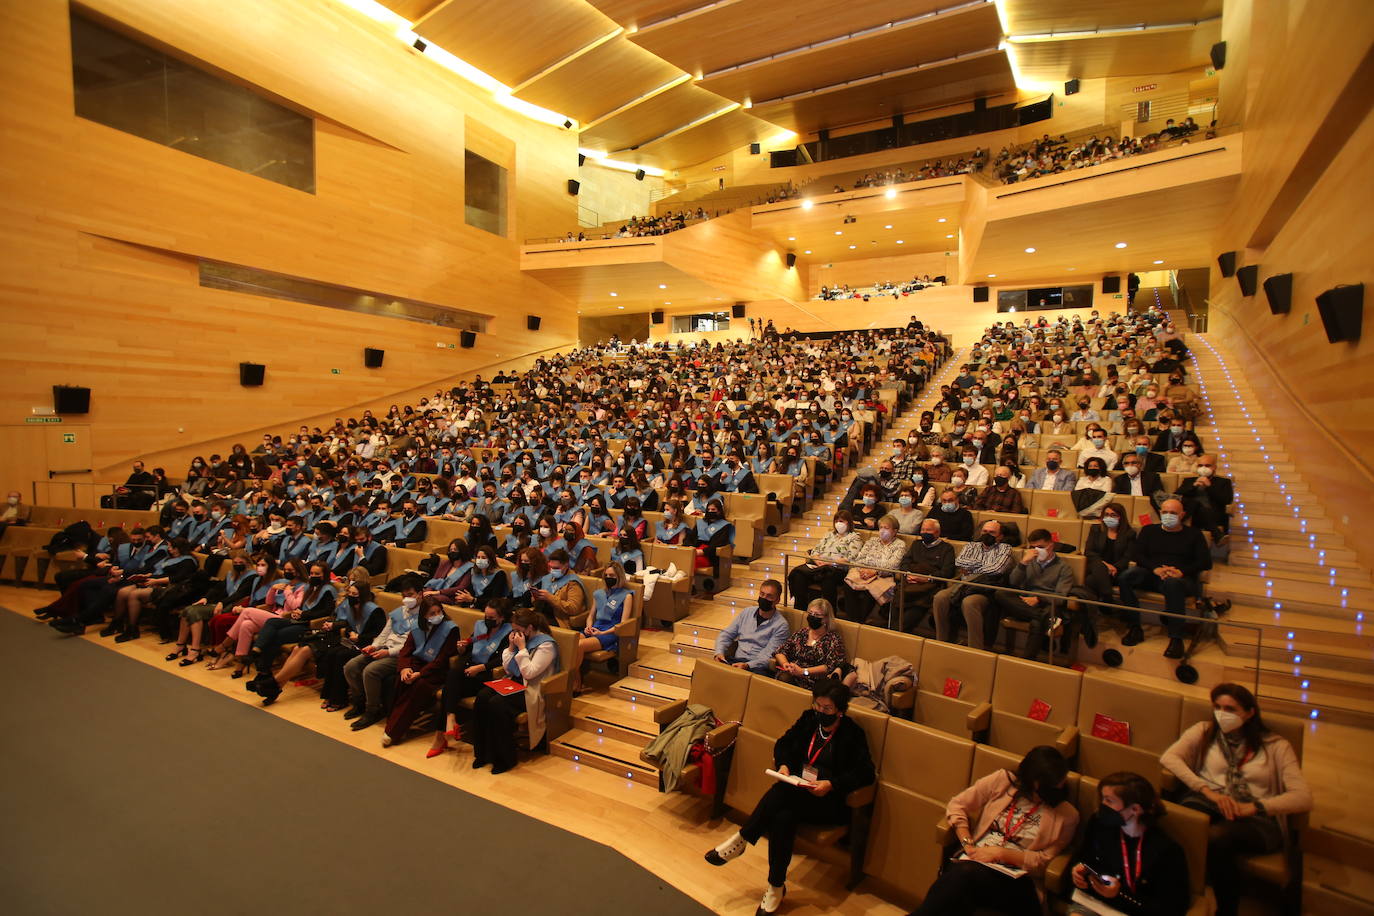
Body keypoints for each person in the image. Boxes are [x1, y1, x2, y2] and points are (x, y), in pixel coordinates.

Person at [704, 681, 875, 916]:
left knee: (782, 796)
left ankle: (743, 838)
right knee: (783, 816)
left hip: (829, 802)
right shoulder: (809, 719)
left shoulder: (852, 733)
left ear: (840, 710)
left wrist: (832, 784)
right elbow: (784, 744)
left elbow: (865, 772)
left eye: (827, 709)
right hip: (799, 791)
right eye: (818, 705)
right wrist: (784, 764)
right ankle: (775, 887)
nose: (821, 712)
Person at [1161, 683, 1312, 916]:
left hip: (1256, 814)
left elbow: (1302, 797)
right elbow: (1170, 758)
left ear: (1250, 712)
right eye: (1218, 707)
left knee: (1218, 837)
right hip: (1210, 799)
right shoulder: (1204, 731)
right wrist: (1207, 791)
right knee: (1183, 817)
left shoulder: (1276, 746)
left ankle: (1227, 909)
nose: (1222, 713)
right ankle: (1176, 894)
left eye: (1230, 709)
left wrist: (1254, 807)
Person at [910, 745, 1078, 916]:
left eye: (1059, 785)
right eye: (1045, 787)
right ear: (1030, 779)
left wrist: (1000, 853)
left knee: (963, 877)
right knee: (960, 884)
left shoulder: (1067, 815)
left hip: (1019, 880)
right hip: (977, 861)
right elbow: (957, 805)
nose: (1054, 791)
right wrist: (968, 844)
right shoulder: (1003, 781)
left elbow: (1043, 863)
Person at [1068, 772, 1190, 916]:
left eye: (1109, 801)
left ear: (1135, 809)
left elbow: (1172, 907)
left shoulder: (1167, 851)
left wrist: (1120, 895)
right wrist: (1079, 871)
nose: (1102, 806)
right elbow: (1085, 856)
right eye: (1103, 799)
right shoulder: (1099, 823)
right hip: (1095, 903)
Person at [470, 607, 561, 774]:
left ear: (530, 628)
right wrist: (512, 648)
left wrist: (522, 648)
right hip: (514, 682)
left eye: (518, 631)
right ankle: (482, 754)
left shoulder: (546, 645)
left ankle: (505, 759)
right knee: (483, 697)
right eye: (513, 631)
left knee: (497, 704)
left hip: (532, 689)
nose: (515, 634)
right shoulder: (520, 641)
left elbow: (530, 672)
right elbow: (508, 668)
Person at [1117, 498, 1211, 658]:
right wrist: (1155, 569)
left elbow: (1205, 562)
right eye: (1165, 512)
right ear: (1160, 513)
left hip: (1181, 579)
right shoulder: (1149, 530)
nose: (1168, 515)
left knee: (1173, 584)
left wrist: (1181, 571)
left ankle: (1176, 638)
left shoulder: (1194, 534)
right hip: (1153, 575)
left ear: (1182, 515)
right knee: (1126, 577)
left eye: (1173, 513)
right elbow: (1137, 554)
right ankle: (1134, 627)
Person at [428, 599, 514, 758]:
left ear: (502, 618)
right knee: (453, 674)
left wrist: (480, 668)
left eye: (492, 618)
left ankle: (440, 737)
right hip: (471, 668)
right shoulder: (480, 626)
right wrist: (462, 648)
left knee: (448, 690)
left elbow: (503, 659)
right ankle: (450, 718)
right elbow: (470, 647)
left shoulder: (509, 632)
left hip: (488, 673)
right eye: (486, 616)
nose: (487, 620)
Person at [382, 596, 461, 746]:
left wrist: (420, 673)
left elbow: (443, 659)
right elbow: (406, 650)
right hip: (418, 663)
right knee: (401, 679)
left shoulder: (450, 629)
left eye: (439, 611)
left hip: (436, 670)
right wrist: (405, 668)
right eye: (432, 613)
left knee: (418, 686)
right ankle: (394, 724)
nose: (437, 615)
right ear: (424, 615)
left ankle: (393, 732)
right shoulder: (417, 627)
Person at [343, 585, 421, 730]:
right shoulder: (398, 612)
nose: (407, 599)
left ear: (420, 594)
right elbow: (384, 634)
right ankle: (359, 702)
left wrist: (388, 652)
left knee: (370, 671)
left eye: (410, 594)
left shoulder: (424, 616)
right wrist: (374, 646)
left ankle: (372, 710)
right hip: (383, 649)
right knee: (351, 666)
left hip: (401, 655)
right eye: (404, 596)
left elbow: (413, 645)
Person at [931, 520, 1015, 650]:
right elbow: (959, 562)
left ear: (1000, 536)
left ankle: (975, 648)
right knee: (940, 597)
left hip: (986, 588)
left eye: (992, 532)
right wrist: (983, 565)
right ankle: (942, 641)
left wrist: (972, 567)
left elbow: (997, 569)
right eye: (985, 531)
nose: (987, 534)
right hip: (964, 583)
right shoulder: (971, 545)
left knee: (969, 603)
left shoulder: (1005, 548)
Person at [998, 529, 1074, 660]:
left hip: (1046, 604)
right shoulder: (1029, 560)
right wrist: (1023, 563)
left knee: (1036, 623)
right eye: (1033, 547)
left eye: (1040, 547)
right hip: (1024, 604)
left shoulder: (1064, 568)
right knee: (1000, 594)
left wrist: (1039, 598)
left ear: (1051, 545)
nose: (1036, 550)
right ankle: (1047, 619)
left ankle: (1027, 660)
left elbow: (1061, 597)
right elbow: (1013, 582)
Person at [570, 562, 633, 694]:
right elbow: (590, 616)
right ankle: (576, 680)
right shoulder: (598, 594)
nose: (608, 577)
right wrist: (588, 627)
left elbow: (623, 624)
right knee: (572, 643)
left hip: (610, 632)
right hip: (595, 628)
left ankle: (575, 683)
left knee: (579, 645)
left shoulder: (626, 595)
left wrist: (602, 632)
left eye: (612, 575)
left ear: (619, 576)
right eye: (607, 575)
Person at [1081, 502, 1135, 647]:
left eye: (1113, 515)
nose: (1109, 517)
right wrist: (1105, 565)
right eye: (1107, 515)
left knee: (1091, 581)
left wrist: (1114, 567)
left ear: (1120, 517)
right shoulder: (1096, 529)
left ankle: (1090, 618)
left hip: (1116, 572)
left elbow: (1127, 557)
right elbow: (1089, 552)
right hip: (1099, 566)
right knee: (1098, 566)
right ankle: (1108, 598)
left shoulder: (1130, 533)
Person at [786, 509, 863, 610]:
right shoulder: (829, 535)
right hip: (819, 566)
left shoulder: (854, 537)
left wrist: (829, 563)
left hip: (837, 569)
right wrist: (818, 560)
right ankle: (801, 609)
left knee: (828, 578)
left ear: (848, 522)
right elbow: (815, 551)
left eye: (841, 521)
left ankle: (829, 613)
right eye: (836, 521)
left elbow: (851, 558)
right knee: (797, 574)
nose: (838, 524)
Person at [838, 514, 908, 624]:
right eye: (881, 527)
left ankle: (858, 623)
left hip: (883, 577)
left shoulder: (900, 544)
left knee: (869, 590)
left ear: (894, 531)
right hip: (863, 573)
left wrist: (875, 571)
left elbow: (892, 565)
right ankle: (855, 623)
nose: (882, 531)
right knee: (848, 585)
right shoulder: (872, 541)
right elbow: (860, 559)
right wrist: (864, 570)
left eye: (886, 528)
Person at [713, 578, 790, 672]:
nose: (764, 598)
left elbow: (769, 655)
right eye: (762, 594)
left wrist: (747, 665)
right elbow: (726, 634)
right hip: (735, 661)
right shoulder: (747, 612)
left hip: (757, 667)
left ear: (777, 600)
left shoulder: (781, 625)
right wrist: (719, 652)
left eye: (769, 596)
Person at [895, 518, 957, 632]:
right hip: (909, 584)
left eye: (928, 530)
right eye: (923, 529)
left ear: (937, 532)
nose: (924, 532)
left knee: (905, 622)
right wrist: (907, 574)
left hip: (929, 587)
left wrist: (927, 578)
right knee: (894, 612)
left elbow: (947, 572)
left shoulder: (947, 548)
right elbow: (905, 562)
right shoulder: (916, 544)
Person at [773, 598, 845, 688]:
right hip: (792, 674)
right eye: (810, 613)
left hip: (814, 679)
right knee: (783, 678)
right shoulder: (801, 633)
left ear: (826, 618)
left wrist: (804, 671)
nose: (812, 616)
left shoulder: (833, 639)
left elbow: (830, 666)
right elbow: (780, 651)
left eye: (817, 615)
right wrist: (785, 664)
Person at [1177, 453, 1232, 543]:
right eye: (1200, 465)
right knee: (1196, 505)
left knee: (1201, 509)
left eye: (1207, 465)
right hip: (1190, 513)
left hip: (1213, 513)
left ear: (1214, 467)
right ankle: (1217, 535)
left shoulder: (1224, 482)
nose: (1203, 468)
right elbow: (1177, 495)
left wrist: (1209, 487)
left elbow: (1226, 500)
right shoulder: (1189, 480)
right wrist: (1193, 486)